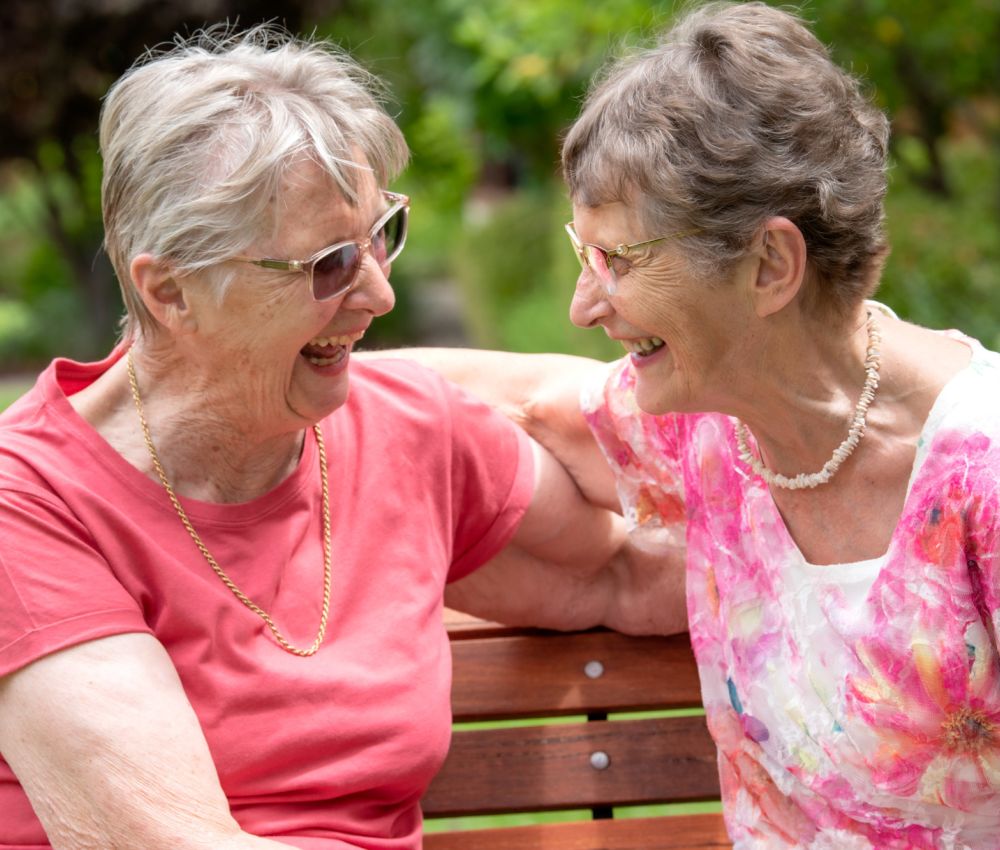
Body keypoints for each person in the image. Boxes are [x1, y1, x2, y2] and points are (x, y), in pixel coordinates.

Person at [0, 27, 681, 850]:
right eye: (329, 264)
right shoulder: (29, 509)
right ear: (172, 290)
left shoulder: (402, 431)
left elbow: (616, 573)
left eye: (380, 236)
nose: (380, 294)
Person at [393, 3, 1000, 848]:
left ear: (770, 265)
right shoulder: (717, 424)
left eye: (621, 261)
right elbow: (524, 402)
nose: (581, 307)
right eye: (583, 253)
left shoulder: (982, 474)